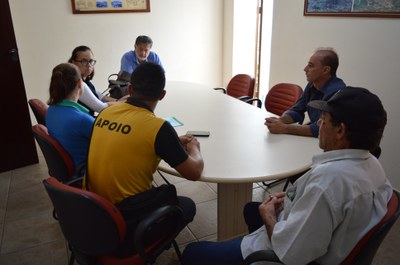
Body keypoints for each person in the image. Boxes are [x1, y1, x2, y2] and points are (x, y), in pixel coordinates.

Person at [181, 86, 392, 265]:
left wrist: (269, 216)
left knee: (192, 253)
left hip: (284, 254)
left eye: (324, 120)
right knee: (249, 209)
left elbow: (290, 253)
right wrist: (295, 200)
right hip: (326, 237)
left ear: (340, 131)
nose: (318, 124)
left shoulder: (328, 184)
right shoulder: (373, 165)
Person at [85, 62, 203, 256]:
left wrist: (171, 142)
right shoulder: (158, 127)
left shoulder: (105, 112)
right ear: (162, 95)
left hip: (94, 211)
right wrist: (195, 148)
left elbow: (130, 139)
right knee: (187, 206)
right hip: (125, 223)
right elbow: (194, 172)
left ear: (130, 89)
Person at [265, 47, 346, 137]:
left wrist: (284, 128)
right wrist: (280, 120)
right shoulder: (312, 84)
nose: (305, 69)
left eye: (311, 65)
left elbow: (323, 128)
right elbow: (297, 110)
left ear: (325, 70)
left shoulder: (337, 92)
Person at [46, 63, 95, 170]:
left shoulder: (51, 110)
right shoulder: (82, 120)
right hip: (88, 172)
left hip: (73, 166)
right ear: (79, 84)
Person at [68, 45, 121, 116]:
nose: (89, 65)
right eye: (84, 61)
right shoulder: (76, 83)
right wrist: (124, 103)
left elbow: (101, 97)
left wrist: (118, 101)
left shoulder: (86, 81)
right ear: (73, 62)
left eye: (90, 61)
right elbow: (100, 108)